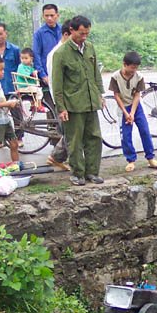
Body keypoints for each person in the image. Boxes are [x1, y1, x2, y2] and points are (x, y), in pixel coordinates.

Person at [51, 15, 105, 186]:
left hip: (90, 102)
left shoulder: (90, 48)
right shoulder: (61, 53)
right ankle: (77, 173)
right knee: (74, 141)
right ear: (71, 31)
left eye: (87, 33)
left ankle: (92, 172)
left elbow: (96, 74)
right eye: (81, 33)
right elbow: (57, 84)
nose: (84, 37)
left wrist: (99, 95)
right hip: (73, 105)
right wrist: (61, 108)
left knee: (94, 138)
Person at [109, 51, 157, 173]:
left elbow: (137, 95)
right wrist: (125, 113)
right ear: (125, 64)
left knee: (145, 130)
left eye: (136, 68)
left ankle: (150, 158)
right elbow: (116, 96)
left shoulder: (139, 76)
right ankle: (131, 160)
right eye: (132, 67)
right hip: (123, 106)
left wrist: (132, 113)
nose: (134, 70)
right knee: (126, 135)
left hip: (136, 106)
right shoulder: (115, 77)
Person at [0, 22, 24, 144]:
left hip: (12, 86)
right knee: (0, 114)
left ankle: (19, 137)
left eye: (1, 34)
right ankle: (1, 139)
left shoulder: (15, 49)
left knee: (16, 113)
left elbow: (20, 67)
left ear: (6, 34)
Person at [45, 18, 71, 170]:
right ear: (67, 34)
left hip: (73, 99)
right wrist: (60, 105)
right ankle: (56, 156)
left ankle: (57, 157)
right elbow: (54, 82)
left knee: (73, 132)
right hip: (64, 100)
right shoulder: (56, 53)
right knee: (71, 132)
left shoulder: (71, 50)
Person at [32, 3, 61, 109]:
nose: (49, 18)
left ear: (57, 15)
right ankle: (52, 126)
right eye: (46, 16)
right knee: (51, 110)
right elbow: (36, 55)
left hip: (62, 75)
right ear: (43, 16)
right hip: (47, 77)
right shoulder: (39, 34)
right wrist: (43, 75)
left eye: (52, 15)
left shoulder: (63, 31)